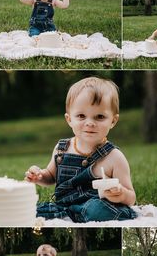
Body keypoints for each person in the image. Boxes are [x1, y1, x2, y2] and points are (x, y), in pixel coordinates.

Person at [25, 76, 137, 223]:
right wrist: (39, 176)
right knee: (29, 210)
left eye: (100, 117)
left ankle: (78, 215)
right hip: (64, 206)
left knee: (96, 209)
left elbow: (131, 198)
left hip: (96, 206)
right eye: (81, 116)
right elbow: (51, 176)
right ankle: (67, 215)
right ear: (69, 119)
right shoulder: (62, 149)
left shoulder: (114, 157)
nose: (90, 123)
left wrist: (121, 194)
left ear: (113, 121)